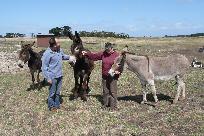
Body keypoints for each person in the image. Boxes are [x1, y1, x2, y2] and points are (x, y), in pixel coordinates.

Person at [82, 42, 120, 110]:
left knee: (112, 91)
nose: (107, 52)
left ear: (112, 48)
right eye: (106, 50)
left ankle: (113, 106)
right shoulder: (103, 53)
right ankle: (105, 104)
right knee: (105, 91)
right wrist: (87, 53)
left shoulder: (117, 55)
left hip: (113, 76)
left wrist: (118, 71)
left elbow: (120, 65)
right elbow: (94, 56)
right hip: (104, 75)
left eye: (109, 50)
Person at [41, 37, 76, 111]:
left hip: (59, 75)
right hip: (52, 77)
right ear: (54, 45)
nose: (60, 44)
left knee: (58, 92)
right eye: (58, 43)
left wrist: (70, 57)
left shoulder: (59, 50)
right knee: (52, 93)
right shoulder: (47, 54)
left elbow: (63, 56)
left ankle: (57, 104)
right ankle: (51, 106)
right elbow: (44, 67)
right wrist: (48, 78)